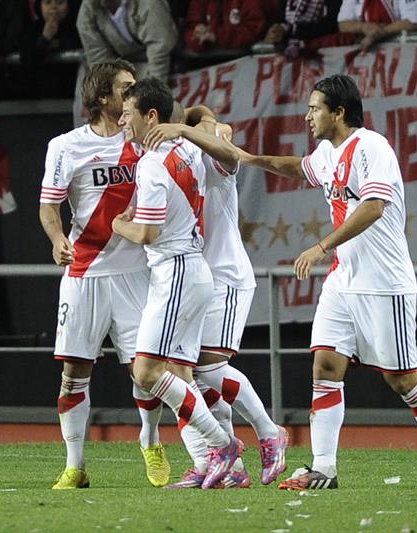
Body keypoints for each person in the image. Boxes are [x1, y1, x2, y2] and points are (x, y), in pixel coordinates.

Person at [235, 74, 417, 491]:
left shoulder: (372, 148)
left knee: (402, 380)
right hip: (344, 280)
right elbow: (299, 169)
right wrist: (251, 159)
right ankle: (325, 467)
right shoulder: (326, 152)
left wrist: (321, 246)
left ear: (339, 112)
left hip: (383, 283)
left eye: (315, 108)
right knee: (325, 364)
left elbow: (373, 207)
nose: (308, 117)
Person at [139, 111, 289, 489]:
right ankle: (224, 468)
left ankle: (269, 433)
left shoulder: (206, 151)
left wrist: (191, 126)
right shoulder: (173, 158)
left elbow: (224, 141)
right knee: (188, 378)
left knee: (205, 371)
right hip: (194, 276)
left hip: (226, 275)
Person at [112, 78, 244, 490]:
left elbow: (148, 234)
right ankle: (222, 469)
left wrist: (120, 223)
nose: (121, 120)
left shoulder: (152, 164)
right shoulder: (187, 149)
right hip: (190, 269)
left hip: (176, 273)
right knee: (180, 377)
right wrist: (203, 122)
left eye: (127, 112)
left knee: (146, 371)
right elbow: (211, 130)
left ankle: (225, 445)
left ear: (151, 116)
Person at [39, 59, 159, 490]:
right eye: (125, 89)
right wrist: (56, 240)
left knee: (145, 371)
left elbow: (190, 120)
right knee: (75, 371)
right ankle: (75, 466)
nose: (133, 95)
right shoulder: (66, 146)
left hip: (135, 273)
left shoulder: (145, 142)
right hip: (84, 271)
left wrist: (214, 124)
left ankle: (150, 439)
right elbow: (49, 207)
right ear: (103, 97)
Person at [337, 0, 417, 50]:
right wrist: (364, 27)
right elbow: (343, 24)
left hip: (403, 50)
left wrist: (379, 33)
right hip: (368, 53)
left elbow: (413, 22)